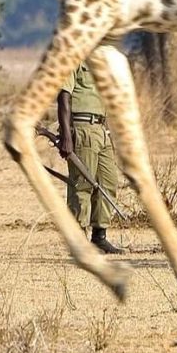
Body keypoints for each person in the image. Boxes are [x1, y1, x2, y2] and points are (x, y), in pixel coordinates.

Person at [56, 62, 123, 254]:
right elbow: (63, 97)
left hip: (101, 128)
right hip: (82, 128)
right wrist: (67, 135)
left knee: (108, 182)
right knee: (82, 184)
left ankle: (99, 236)